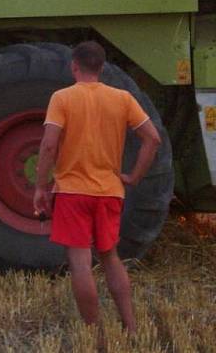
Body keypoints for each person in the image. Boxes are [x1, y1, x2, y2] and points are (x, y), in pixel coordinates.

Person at [33, 41, 161, 339]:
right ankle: (130, 328)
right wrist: (135, 177)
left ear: (73, 66)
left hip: (72, 192)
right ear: (102, 68)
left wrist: (40, 186)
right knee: (110, 257)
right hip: (110, 191)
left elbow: (50, 144)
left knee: (80, 262)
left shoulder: (62, 98)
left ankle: (96, 335)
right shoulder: (122, 98)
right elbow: (153, 139)